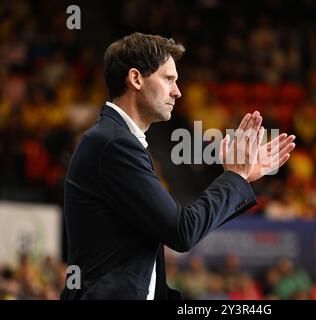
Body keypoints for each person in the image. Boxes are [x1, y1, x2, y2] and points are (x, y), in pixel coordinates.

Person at [60, 32, 295, 300]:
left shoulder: (116, 140)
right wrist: (235, 176)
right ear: (136, 78)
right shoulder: (114, 144)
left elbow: (172, 230)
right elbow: (181, 231)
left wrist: (241, 179)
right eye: (169, 79)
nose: (177, 91)